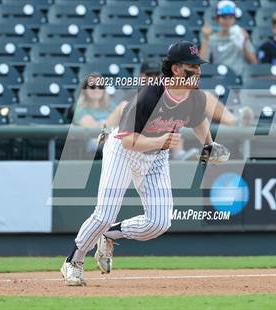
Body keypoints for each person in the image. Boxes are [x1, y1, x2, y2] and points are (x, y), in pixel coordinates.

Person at [61, 41, 230, 286]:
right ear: (176, 69)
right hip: (123, 149)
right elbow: (128, 140)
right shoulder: (149, 95)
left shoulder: (194, 97)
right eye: (192, 66)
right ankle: (73, 261)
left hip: (156, 155)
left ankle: (108, 234)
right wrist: (161, 140)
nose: (198, 71)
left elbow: (198, 120)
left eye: (198, 65)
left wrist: (209, 145)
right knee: (105, 213)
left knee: (160, 221)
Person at [200, 0, 258, 78]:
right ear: (217, 19)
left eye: (230, 17)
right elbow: (202, 63)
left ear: (234, 19)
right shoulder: (212, 39)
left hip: (240, 78)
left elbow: (254, 63)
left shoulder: (242, 36)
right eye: (224, 17)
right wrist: (205, 38)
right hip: (220, 78)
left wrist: (243, 44)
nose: (227, 21)